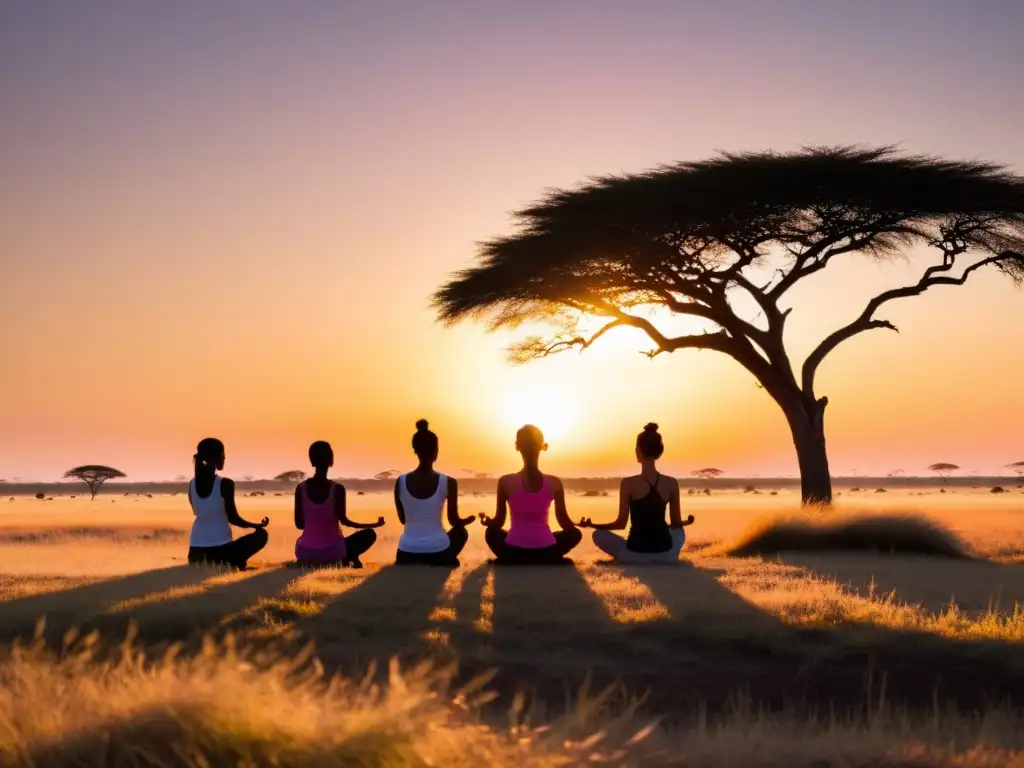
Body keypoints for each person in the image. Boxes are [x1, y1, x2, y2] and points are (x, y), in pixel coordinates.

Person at [579, 423, 694, 564]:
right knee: (679, 532)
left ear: (639, 450)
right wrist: (686, 522)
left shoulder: (627, 484)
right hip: (666, 555)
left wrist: (593, 525)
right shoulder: (671, 483)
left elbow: (620, 523)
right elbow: (676, 523)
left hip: (633, 555)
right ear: (658, 451)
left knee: (598, 534)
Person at [481, 424, 582, 564]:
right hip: (547, 551)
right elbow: (565, 523)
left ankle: (513, 559)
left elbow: (498, 522)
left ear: (517, 446)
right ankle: (549, 557)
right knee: (575, 534)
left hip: (513, 551)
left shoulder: (505, 482)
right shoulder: (555, 483)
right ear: (543, 446)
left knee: (491, 533)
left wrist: (489, 522)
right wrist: (578, 523)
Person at [394, 419, 475, 566]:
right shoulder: (449, 482)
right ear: (436, 450)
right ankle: (446, 559)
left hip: (406, 553)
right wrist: (467, 520)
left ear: (415, 450)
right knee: (460, 532)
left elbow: (403, 520)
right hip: (438, 551)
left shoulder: (400, 481)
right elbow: (453, 521)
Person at [295, 440, 383, 568]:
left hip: (305, 553)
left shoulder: (300, 488)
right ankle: (347, 559)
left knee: (306, 541)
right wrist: (374, 524)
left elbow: (299, 524)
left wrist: (315, 524)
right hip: (333, 552)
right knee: (369, 534)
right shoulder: (337, 489)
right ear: (331, 460)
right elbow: (345, 521)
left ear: (312, 461)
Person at [187, 437, 270, 569]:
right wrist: (257, 525)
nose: (224, 459)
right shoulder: (225, 484)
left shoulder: (192, 483)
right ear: (218, 456)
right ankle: (236, 563)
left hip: (195, 555)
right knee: (261, 535)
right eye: (223, 455)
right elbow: (233, 518)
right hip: (221, 552)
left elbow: (196, 511)